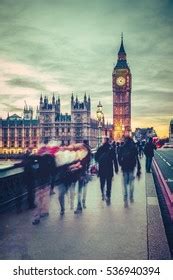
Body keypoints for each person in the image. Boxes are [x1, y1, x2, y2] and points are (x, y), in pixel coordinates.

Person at [118, 136, 141, 207]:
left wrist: (121, 164)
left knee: (124, 185)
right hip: (131, 168)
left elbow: (118, 158)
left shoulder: (122, 147)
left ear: (125, 140)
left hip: (124, 168)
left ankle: (125, 200)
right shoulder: (133, 148)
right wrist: (139, 169)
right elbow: (137, 159)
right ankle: (131, 197)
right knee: (131, 183)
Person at [95, 137, 118, 204]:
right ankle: (108, 195)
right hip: (109, 168)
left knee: (102, 182)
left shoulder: (100, 148)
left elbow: (96, 158)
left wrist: (100, 160)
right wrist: (116, 168)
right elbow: (115, 159)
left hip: (102, 168)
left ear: (104, 141)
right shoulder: (111, 148)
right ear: (108, 141)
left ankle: (102, 193)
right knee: (109, 183)